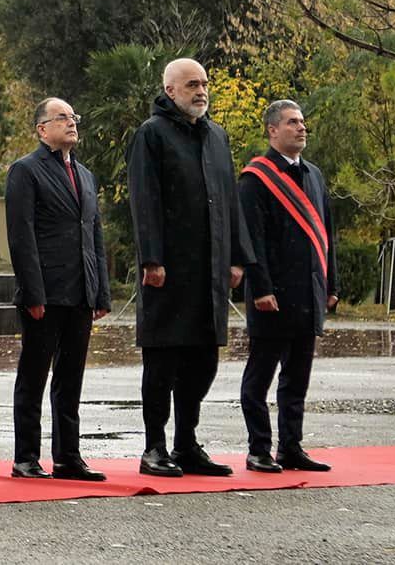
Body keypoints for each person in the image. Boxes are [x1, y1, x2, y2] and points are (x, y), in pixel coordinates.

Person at [126, 59, 251, 477]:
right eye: (192, 85)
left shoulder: (216, 135)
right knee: (163, 361)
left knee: (204, 361)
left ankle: (186, 444)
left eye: (205, 83)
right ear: (171, 90)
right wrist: (151, 258)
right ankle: (154, 448)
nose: (201, 91)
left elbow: (230, 199)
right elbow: (144, 200)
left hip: (210, 269)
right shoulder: (152, 135)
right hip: (169, 270)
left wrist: (237, 256)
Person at [5, 98, 109, 481]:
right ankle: (26, 456)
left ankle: (68, 456)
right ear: (42, 129)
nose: (71, 123)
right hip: (44, 292)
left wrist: (100, 293)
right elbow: (22, 237)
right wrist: (33, 293)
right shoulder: (25, 171)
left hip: (80, 290)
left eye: (73, 117)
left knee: (71, 379)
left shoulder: (84, 174)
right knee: (33, 376)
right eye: (62, 117)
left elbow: (93, 234)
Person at [236, 99, 338, 474]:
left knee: (297, 379)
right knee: (260, 376)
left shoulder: (314, 175)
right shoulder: (255, 179)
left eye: (303, 121)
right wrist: (261, 288)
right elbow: (252, 241)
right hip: (272, 296)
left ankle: (290, 447)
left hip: (308, 292)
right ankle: (258, 448)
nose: (301, 127)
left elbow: (327, 235)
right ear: (272, 130)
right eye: (293, 122)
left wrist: (331, 284)